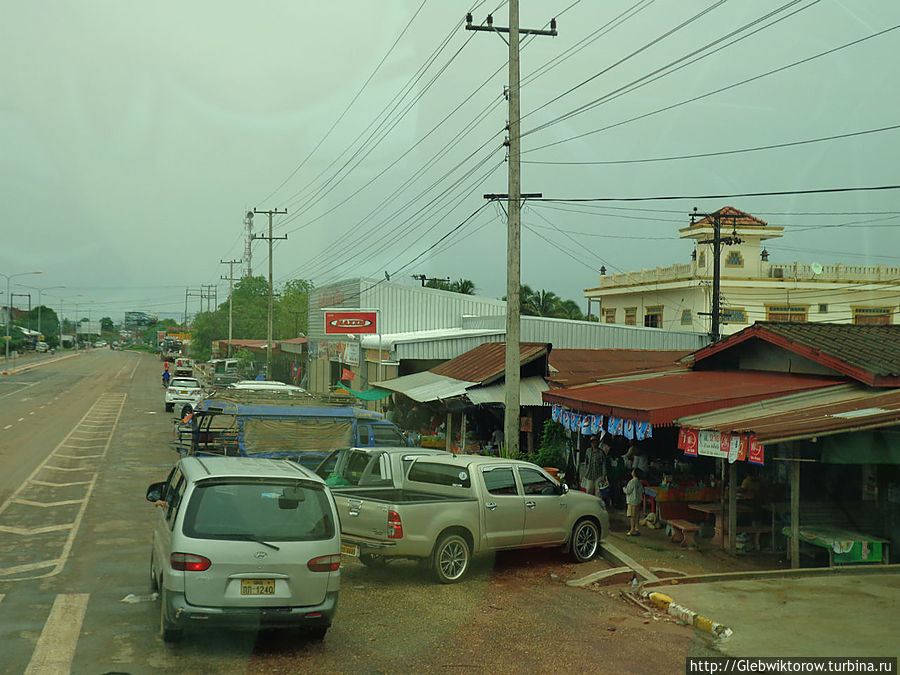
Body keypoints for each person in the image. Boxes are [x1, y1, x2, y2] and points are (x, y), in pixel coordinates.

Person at [624, 468, 644, 536]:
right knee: (637, 515)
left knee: (631, 516)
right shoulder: (639, 482)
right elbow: (642, 491)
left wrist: (624, 488)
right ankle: (637, 528)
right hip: (638, 501)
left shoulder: (632, 481)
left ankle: (632, 529)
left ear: (634, 473)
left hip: (632, 501)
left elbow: (628, 491)